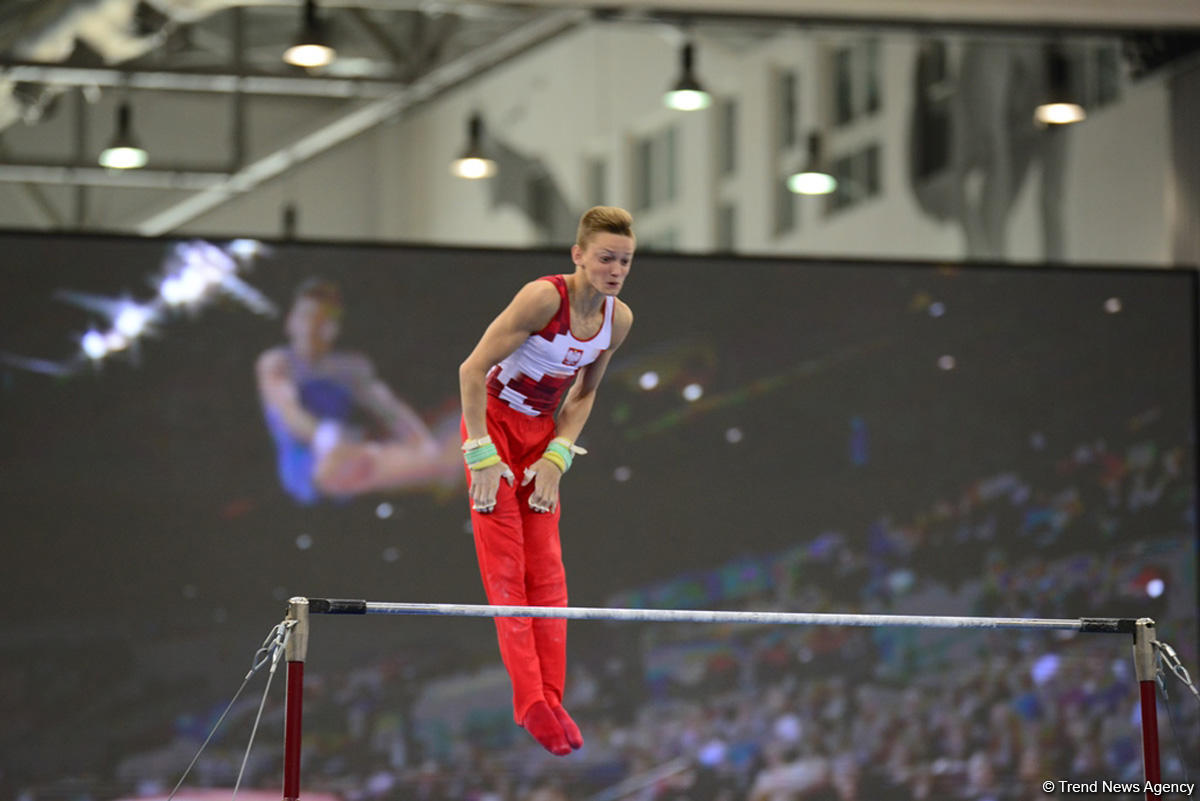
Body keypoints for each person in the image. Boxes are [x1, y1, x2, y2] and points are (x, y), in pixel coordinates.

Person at [458, 206, 636, 756]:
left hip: (541, 433)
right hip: (491, 421)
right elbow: (470, 370)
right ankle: (528, 701)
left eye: (626, 261)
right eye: (606, 257)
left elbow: (583, 392)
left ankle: (552, 696)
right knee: (507, 568)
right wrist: (480, 452)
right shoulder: (542, 298)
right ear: (578, 255)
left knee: (549, 571)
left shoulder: (618, 320)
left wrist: (558, 457)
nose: (615, 269)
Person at [258, 278, 460, 505]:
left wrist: (422, 443)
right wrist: (326, 437)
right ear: (290, 322)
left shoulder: (349, 366)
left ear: (334, 329)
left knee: (448, 442)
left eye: (322, 321)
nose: (311, 328)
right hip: (306, 469)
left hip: (353, 453)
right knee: (355, 457)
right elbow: (288, 412)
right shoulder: (277, 363)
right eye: (306, 317)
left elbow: (389, 408)